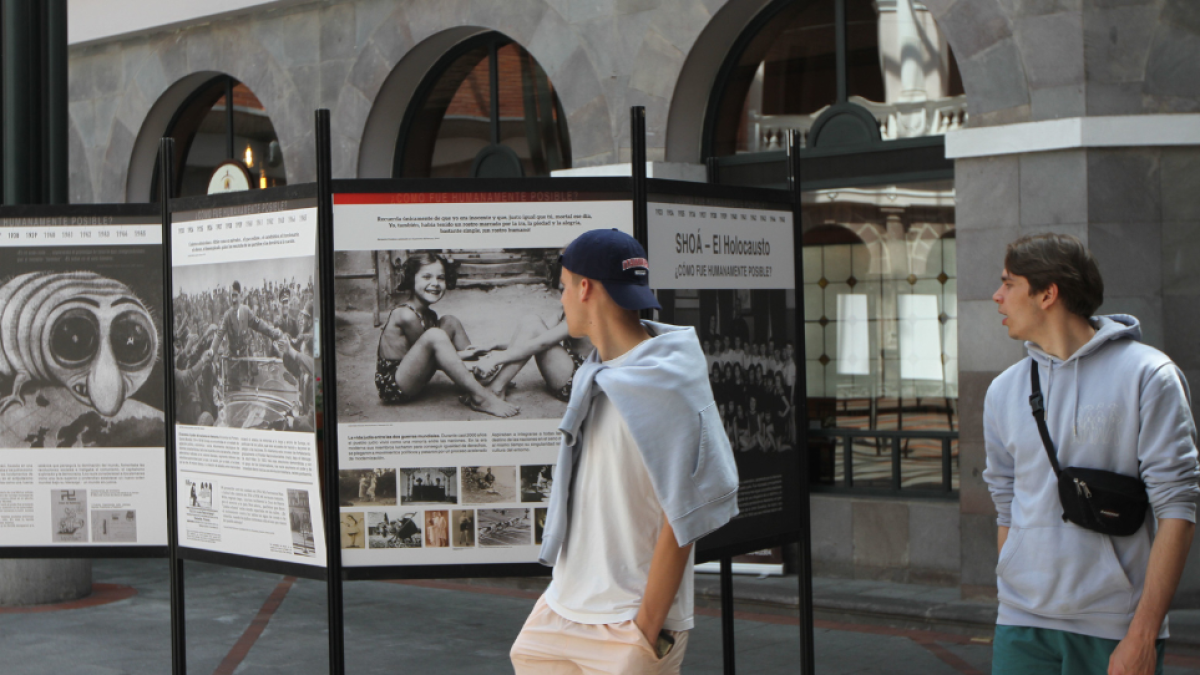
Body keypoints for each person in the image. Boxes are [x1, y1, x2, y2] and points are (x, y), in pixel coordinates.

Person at [510, 229, 739, 674]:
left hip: (625, 620)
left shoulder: (668, 383)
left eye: (562, 288)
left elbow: (686, 516)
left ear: (585, 288)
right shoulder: (592, 375)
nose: (561, 301)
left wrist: (644, 629)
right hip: (561, 607)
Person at [982, 234, 1198, 675]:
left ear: (1048, 293)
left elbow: (1177, 506)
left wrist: (1142, 634)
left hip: (1115, 626)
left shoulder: (1149, 376)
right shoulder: (1003, 390)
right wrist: (1011, 590)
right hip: (1021, 626)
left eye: (1009, 283)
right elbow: (1005, 504)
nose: (996, 296)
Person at [374, 252, 518, 418]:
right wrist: (464, 358)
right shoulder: (406, 315)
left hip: (414, 374)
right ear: (411, 278)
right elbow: (433, 360)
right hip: (396, 385)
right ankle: (481, 397)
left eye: (441, 278)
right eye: (426, 277)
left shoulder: (429, 314)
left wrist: (469, 357)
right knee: (435, 335)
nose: (435, 284)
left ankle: (477, 379)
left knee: (449, 321)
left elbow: (433, 357)